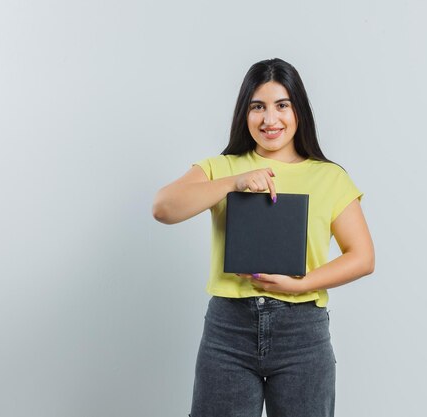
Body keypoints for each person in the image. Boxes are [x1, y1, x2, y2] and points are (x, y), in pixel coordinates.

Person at [152, 58, 375, 417]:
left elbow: (362, 257)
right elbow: (163, 208)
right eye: (258, 107)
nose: (270, 120)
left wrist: (300, 285)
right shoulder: (220, 167)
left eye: (282, 105)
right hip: (228, 331)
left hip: (302, 333)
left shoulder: (329, 177)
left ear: (298, 110)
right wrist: (235, 183)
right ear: (245, 113)